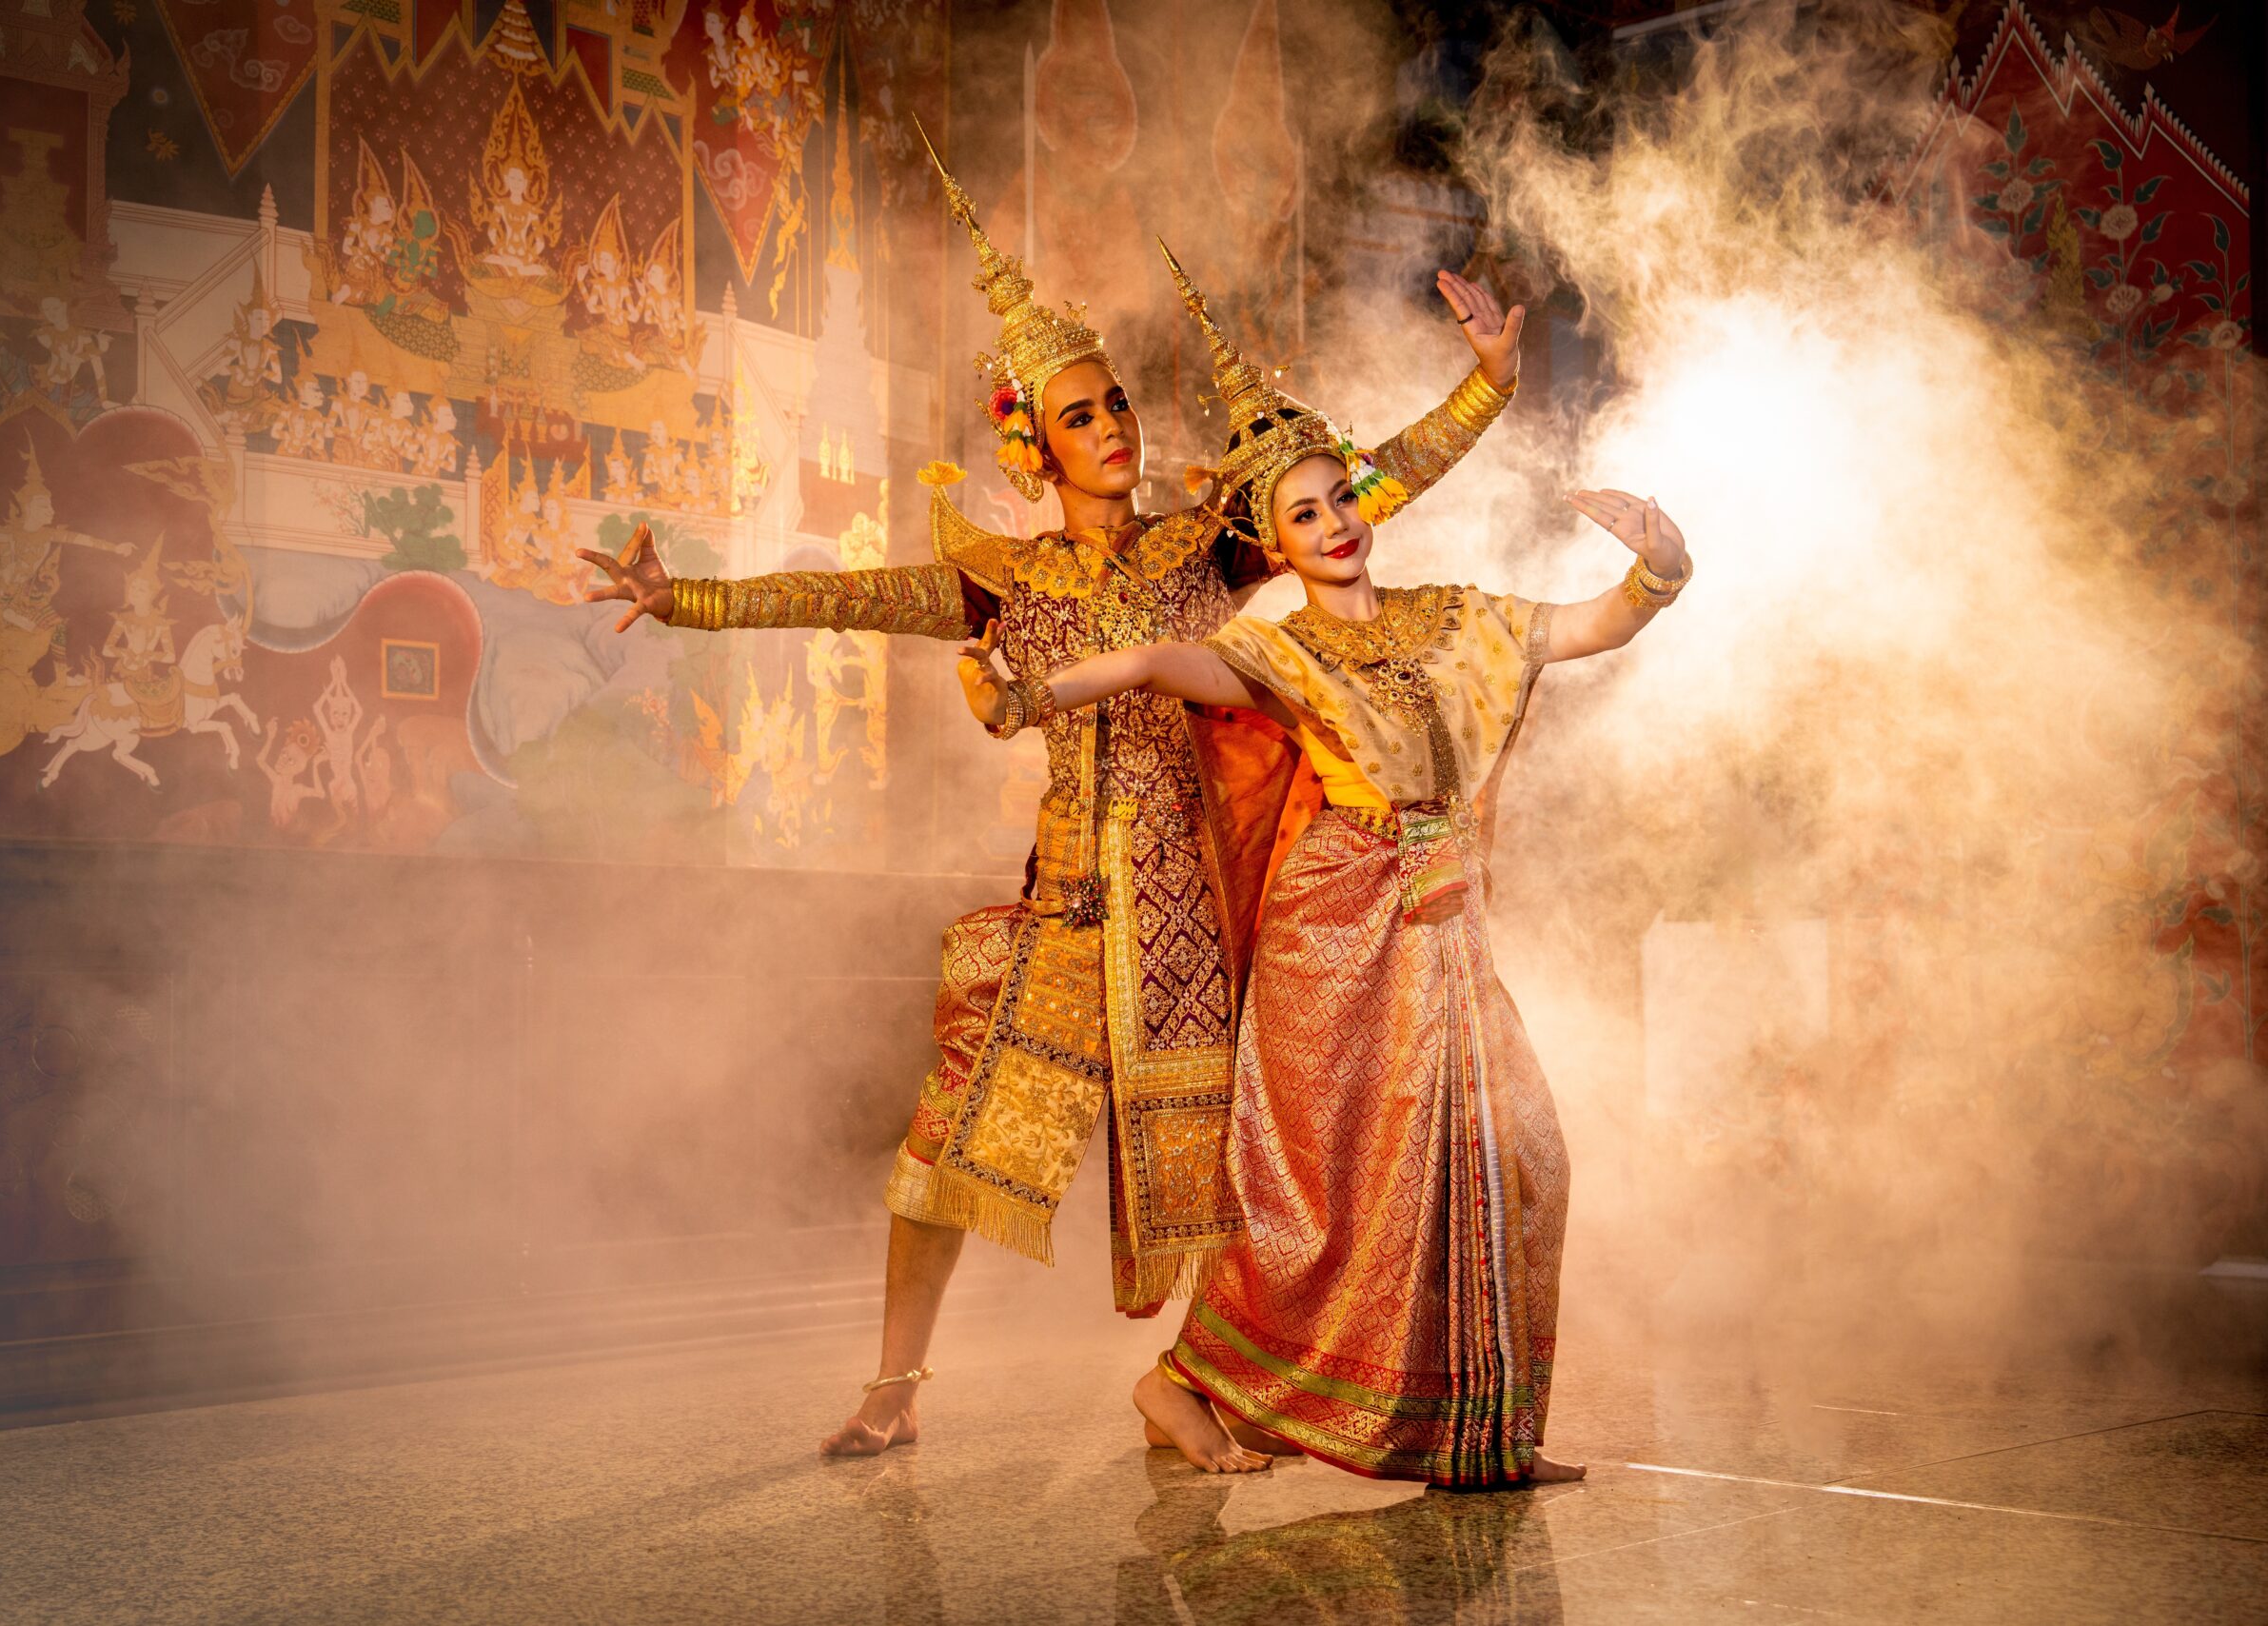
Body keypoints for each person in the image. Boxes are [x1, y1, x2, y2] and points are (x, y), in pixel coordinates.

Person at [577, 137, 1526, 1458]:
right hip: (1071, 919)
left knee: (1247, 1167)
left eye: (1121, 403)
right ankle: (895, 1390)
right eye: (1082, 415)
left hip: (1198, 923)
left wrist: (1484, 388)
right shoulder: (1005, 583)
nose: (1117, 427)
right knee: (943, 1153)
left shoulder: (1208, 549)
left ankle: (1194, 1391)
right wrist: (684, 601)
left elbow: (1355, 489)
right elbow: (841, 596)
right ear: (1034, 444)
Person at [961, 252, 1690, 1483]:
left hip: (1443, 927)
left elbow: (1588, 626)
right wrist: (1026, 689)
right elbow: (1142, 665)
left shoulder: (1452, 618)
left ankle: (1483, 1432)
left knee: (1516, 1160)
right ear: (1275, 542)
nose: (1337, 525)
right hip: (1337, 935)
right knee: (1328, 1203)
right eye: (1304, 516)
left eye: (1341, 500)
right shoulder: (1275, 652)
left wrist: (1660, 564)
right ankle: (1182, 1382)